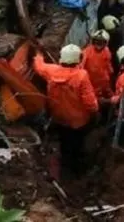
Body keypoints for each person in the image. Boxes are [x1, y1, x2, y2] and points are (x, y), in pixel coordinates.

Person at [33, 45, 98, 175]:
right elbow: (90, 103)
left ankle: (66, 166)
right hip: (79, 121)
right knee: (78, 145)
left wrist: (37, 54)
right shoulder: (81, 76)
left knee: (65, 142)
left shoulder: (51, 71)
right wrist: (95, 113)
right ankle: (80, 171)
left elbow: (38, 66)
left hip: (60, 118)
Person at [82, 30, 114, 100]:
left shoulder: (107, 50)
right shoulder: (86, 52)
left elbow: (108, 66)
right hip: (92, 84)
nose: (98, 43)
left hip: (104, 84)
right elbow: (81, 68)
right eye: (97, 40)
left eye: (101, 41)